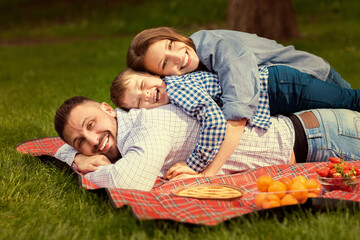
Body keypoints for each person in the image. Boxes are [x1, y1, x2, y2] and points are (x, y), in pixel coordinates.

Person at [125, 27, 359, 173]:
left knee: (352, 104)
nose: (178, 56)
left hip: (300, 77)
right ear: (162, 76)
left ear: (175, 36)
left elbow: (237, 117)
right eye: (165, 63)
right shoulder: (183, 80)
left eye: (171, 45)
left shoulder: (217, 48)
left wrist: (206, 174)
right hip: (282, 96)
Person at [54, 96, 360, 191]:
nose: (94, 141)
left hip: (326, 137)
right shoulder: (125, 134)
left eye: (92, 125)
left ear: (109, 109)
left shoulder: (148, 125)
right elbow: (59, 149)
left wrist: (87, 169)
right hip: (313, 140)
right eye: (81, 141)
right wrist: (75, 157)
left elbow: (131, 181)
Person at [110, 67, 360, 177]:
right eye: (139, 103)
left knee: (348, 98)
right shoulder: (172, 96)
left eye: (143, 85)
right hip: (306, 124)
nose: (146, 95)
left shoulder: (177, 89)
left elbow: (216, 122)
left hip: (278, 88)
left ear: (154, 75)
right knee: (345, 98)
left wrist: (196, 165)